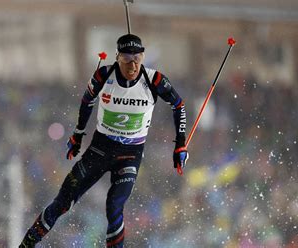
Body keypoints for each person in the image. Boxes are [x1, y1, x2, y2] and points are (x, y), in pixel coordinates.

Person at [19, 33, 189, 248]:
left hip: (130, 154)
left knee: (114, 206)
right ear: (117, 57)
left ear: (143, 57)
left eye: (137, 58)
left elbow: (179, 105)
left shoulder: (154, 79)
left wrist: (180, 144)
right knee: (63, 202)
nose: (132, 65)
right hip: (100, 149)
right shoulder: (103, 75)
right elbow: (87, 100)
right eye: (127, 58)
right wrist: (78, 134)